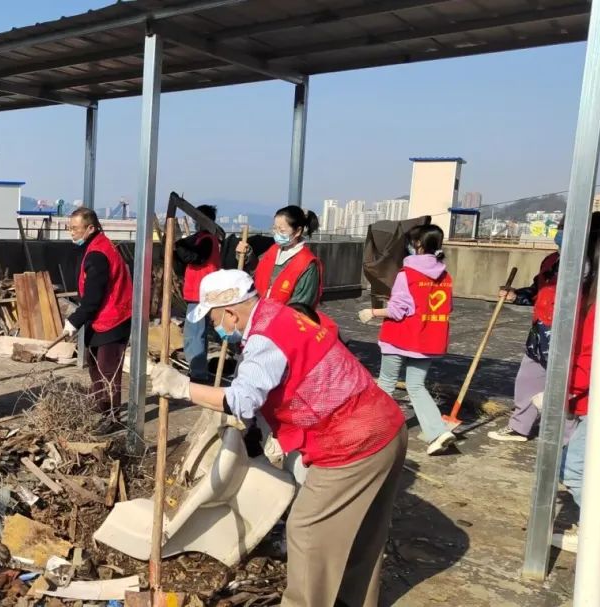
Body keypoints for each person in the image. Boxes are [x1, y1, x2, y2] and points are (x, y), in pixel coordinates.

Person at [150, 270, 407, 607]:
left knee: (307, 529)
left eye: (214, 319)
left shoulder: (265, 338)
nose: (215, 328)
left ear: (230, 313)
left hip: (354, 441)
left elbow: (242, 399)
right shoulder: (278, 315)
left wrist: (183, 387)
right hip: (385, 425)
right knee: (362, 534)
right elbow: (275, 383)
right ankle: (350, 600)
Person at [489, 213, 600, 442]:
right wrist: (516, 295)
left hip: (570, 336)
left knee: (566, 390)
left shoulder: (594, 268)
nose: (559, 233)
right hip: (541, 333)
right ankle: (519, 426)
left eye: (564, 228)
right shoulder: (551, 261)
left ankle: (566, 442)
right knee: (527, 381)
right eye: (559, 227)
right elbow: (536, 290)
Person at [360, 224, 456, 455]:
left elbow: (397, 310)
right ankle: (438, 431)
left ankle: (371, 429)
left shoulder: (407, 274)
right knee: (416, 386)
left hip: (399, 338)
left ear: (418, 244)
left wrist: (372, 312)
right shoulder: (445, 276)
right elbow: (447, 307)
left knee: (386, 383)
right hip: (428, 340)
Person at [63, 208, 132, 432]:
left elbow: (94, 296)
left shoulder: (98, 254)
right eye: (70, 227)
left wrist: (74, 320)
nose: (71, 232)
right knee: (94, 366)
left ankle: (112, 417)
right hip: (99, 318)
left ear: (90, 228)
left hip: (113, 317)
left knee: (107, 371)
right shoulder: (93, 247)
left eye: (75, 228)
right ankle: (101, 407)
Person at [554, 230, 598, 553]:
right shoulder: (590, 295)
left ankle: (597, 538)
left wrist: (565, 391)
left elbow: (591, 355)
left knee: (574, 469)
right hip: (587, 398)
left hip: (593, 399)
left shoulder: (599, 303)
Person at [240, 205, 323, 308]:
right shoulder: (273, 250)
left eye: (282, 231)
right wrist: (247, 255)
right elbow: (257, 274)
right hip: (260, 311)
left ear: (297, 231)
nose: (277, 234)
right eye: (275, 229)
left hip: (283, 316)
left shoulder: (307, 264)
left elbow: (302, 305)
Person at [175, 204, 222, 382]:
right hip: (200, 292)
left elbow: (194, 257)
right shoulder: (204, 238)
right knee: (198, 333)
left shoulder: (207, 240)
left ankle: (198, 374)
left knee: (194, 334)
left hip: (201, 293)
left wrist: (178, 245)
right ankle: (199, 370)